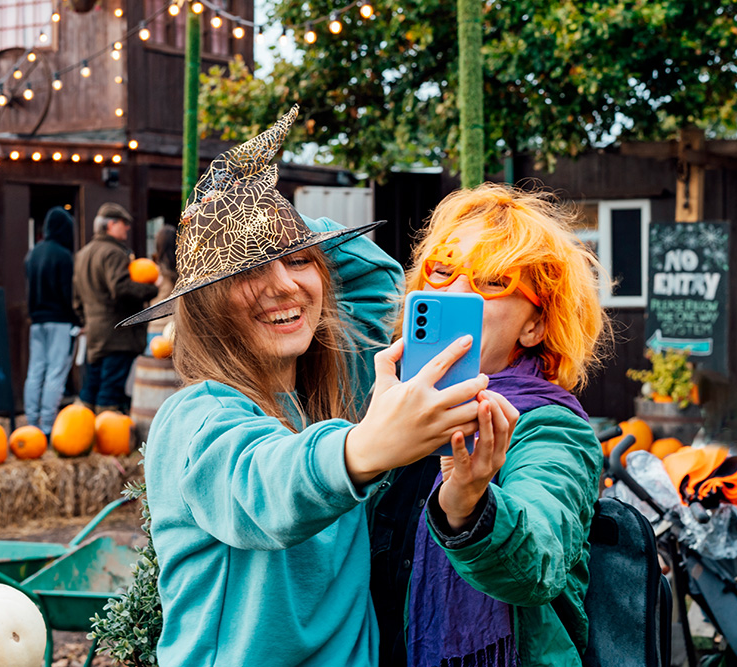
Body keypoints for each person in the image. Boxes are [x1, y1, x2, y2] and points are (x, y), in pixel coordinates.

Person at [125, 107, 490, 667]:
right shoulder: (194, 420)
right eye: (246, 271)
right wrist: (365, 448)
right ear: (203, 305)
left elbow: (379, 284)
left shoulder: (331, 391)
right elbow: (265, 486)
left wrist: (270, 211)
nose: (282, 286)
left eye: (299, 261)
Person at [372, 184, 610, 667]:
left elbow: (540, 562)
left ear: (536, 326)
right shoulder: (385, 405)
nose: (457, 291)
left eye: (493, 281)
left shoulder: (551, 429)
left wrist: (469, 505)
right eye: (442, 270)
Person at [73, 202, 156, 413]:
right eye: (123, 223)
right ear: (110, 225)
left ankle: (85, 436)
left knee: (90, 389)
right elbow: (121, 288)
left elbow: (76, 299)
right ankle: (106, 438)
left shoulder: (83, 254)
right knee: (110, 391)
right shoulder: (113, 253)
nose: (127, 228)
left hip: (94, 334)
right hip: (118, 335)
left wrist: (87, 321)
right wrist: (151, 290)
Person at [24, 207, 78, 435]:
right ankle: (47, 427)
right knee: (55, 373)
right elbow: (67, 295)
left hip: (37, 322)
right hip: (60, 322)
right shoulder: (64, 256)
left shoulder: (32, 255)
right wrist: (76, 319)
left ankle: (30, 424)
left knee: (35, 372)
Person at [145, 224, 177, 352]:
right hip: (175, 328)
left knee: (154, 368)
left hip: (155, 327)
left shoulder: (152, 271)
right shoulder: (183, 270)